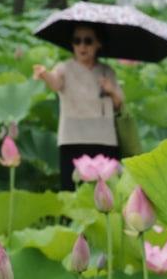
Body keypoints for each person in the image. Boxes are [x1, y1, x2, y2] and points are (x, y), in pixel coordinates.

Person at [32, 24, 125, 190]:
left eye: (88, 41)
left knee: (106, 190)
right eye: (77, 41)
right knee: (71, 188)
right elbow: (55, 83)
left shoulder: (107, 71)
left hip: (104, 137)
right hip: (73, 138)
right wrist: (45, 74)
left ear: (98, 44)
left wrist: (111, 90)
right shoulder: (64, 68)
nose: (82, 46)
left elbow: (119, 104)